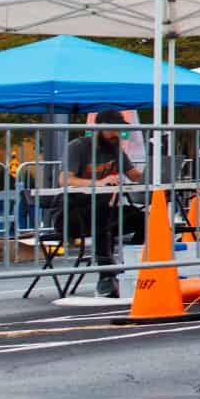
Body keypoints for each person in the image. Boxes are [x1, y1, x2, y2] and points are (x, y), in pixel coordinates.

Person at [63, 114, 129, 298]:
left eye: (119, 129)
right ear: (99, 128)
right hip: (71, 213)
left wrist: (159, 175)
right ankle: (106, 276)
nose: (117, 134)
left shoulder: (116, 149)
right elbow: (65, 179)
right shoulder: (78, 146)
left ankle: (131, 267)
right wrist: (98, 183)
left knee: (141, 219)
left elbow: (134, 174)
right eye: (112, 129)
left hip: (105, 210)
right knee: (102, 213)